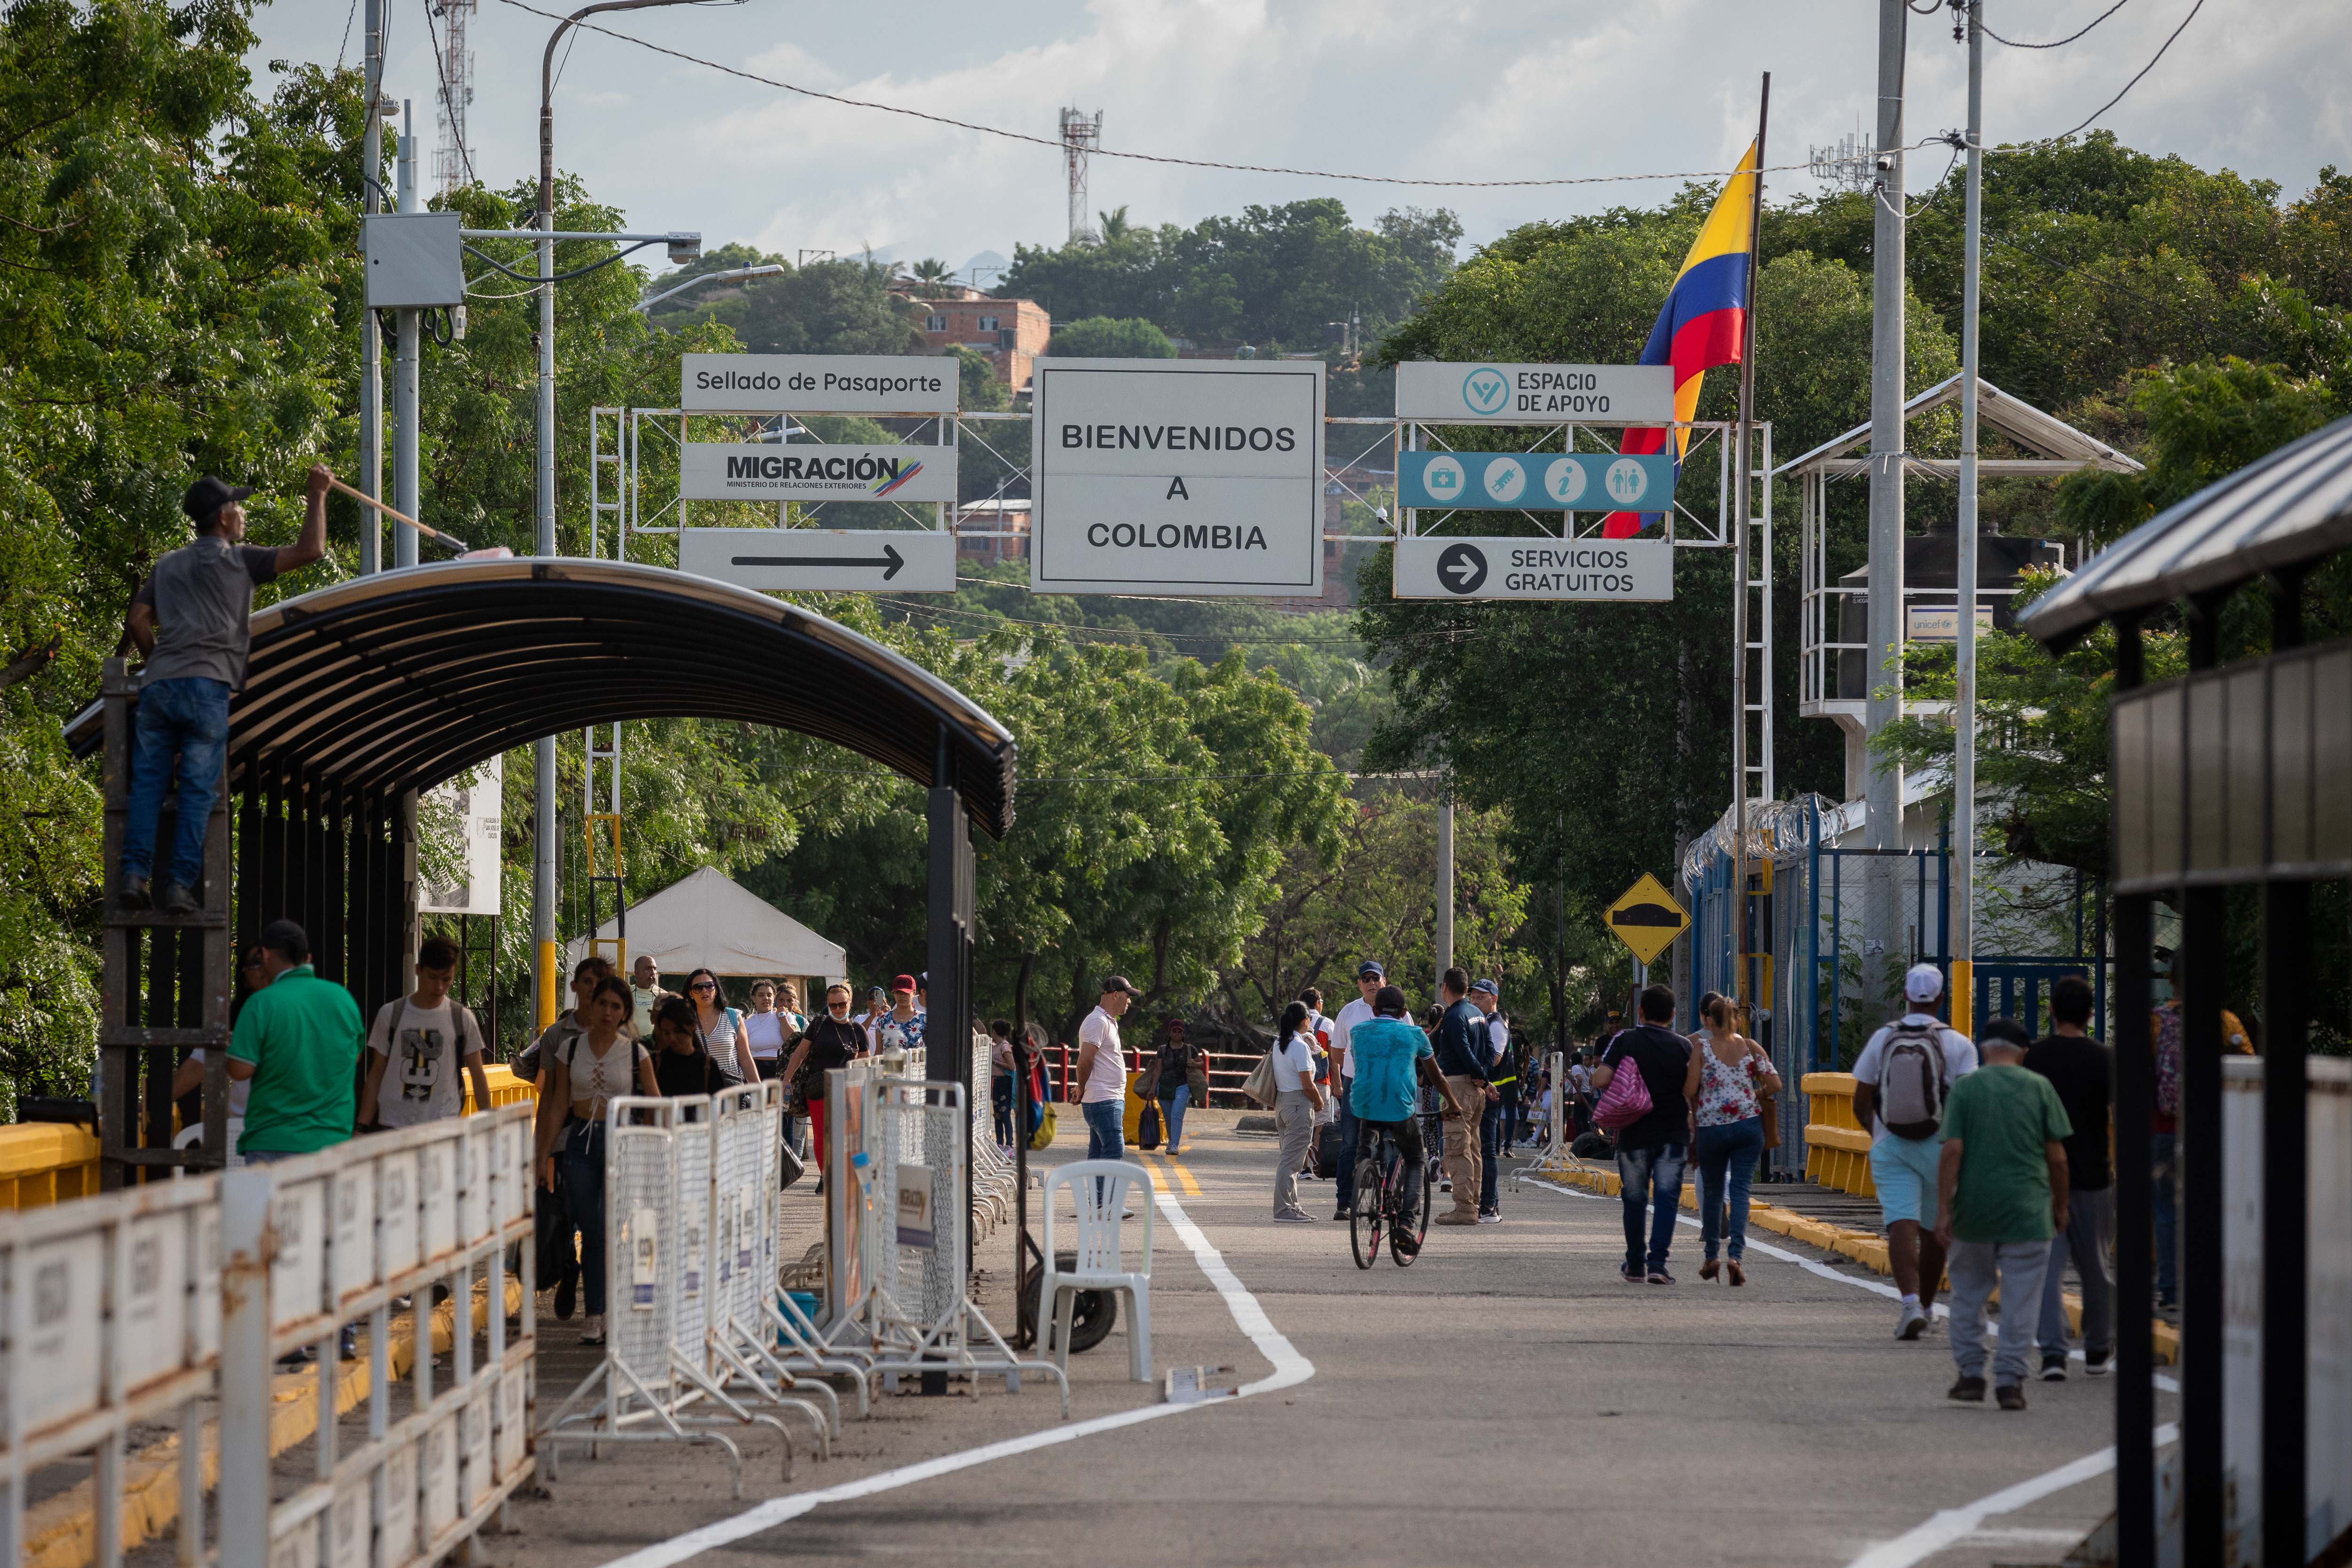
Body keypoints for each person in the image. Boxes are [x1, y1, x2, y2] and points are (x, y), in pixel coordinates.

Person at [119, 469, 330, 915]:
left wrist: (159, 660)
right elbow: (311, 550)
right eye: (237, 507)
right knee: (197, 791)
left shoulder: (168, 565)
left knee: (147, 788)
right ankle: (178, 886)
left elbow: (138, 620)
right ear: (222, 518)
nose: (242, 514)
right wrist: (315, 495)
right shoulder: (240, 561)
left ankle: (134, 877)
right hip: (207, 687)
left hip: (159, 688)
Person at [1936, 1016, 2072, 1410]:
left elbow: (1952, 1151)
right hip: (2029, 1210)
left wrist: (1944, 1209)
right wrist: (2060, 1206)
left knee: (1968, 1292)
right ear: (2024, 1051)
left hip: (1974, 1210)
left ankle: (1972, 1374)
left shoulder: (1967, 1087)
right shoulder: (2040, 1087)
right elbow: (2058, 1158)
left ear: (1983, 1048)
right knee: (2021, 1298)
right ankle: (2011, 1381)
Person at [1851, 963, 1980, 1338]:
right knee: (1934, 1226)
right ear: (1941, 998)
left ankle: (1909, 1305)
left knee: (1900, 1224)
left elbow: (1861, 1099)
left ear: (1905, 996)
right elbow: (1968, 1103)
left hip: (1892, 1144)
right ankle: (1927, 1305)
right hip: (1940, 1145)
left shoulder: (1883, 1038)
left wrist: (1878, 1132)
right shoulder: (1959, 1044)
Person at [529, 974, 657, 1346]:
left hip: (621, 1143)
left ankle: (603, 1309)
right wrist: (541, 1155)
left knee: (609, 1229)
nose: (608, 1011)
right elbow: (557, 1104)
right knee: (592, 1227)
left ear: (624, 1013)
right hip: (580, 1145)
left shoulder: (636, 1053)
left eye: (616, 1007)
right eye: (602, 1003)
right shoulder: (570, 1050)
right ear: (592, 1004)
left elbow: (655, 1105)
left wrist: (652, 1152)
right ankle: (598, 1311)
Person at [2148, 951, 2251, 1310]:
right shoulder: (2225, 1022)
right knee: (2215, 1204)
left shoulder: (2155, 1020)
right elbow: (2248, 1072)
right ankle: (2210, 1284)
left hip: (2163, 1126)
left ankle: (2172, 1291)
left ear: (2170, 979)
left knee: (2165, 1208)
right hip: (2213, 1127)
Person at [2026, 976, 2114, 1380]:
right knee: (2096, 1266)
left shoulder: (2034, 1059)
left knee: (2047, 1267)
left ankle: (2054, 1353)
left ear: (2052, 1011)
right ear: (2091, 1014)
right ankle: (2098, 1346)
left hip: (2043, 1179)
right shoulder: (2104, 1058)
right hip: (2094, 1176)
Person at [1348, 985, 1468, 1260]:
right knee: (1416, 1159)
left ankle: (1363, 1162)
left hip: (1363, 1106)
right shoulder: (1415, 1034)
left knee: (1370, 1119)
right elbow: (1435, 1075)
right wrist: (1453, 1104)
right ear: (1404, 1013)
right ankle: (1405, 1224)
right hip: (1400, 1109)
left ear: (1375, 1010)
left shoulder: (1358, 1032)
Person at [229, 919, 364, 1161]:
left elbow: (240, 1070)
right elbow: (354, 1058)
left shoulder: (261, 1003)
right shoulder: (343, 999)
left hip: (274, 1140)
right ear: (307, 958)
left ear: (265, 954)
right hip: (332, 1140)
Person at [1592, 985, 1694, 1283]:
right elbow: (1693, 1091)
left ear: (1640, 1012)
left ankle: (1635, 1263)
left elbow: (1601, 1079)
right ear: (1673, 1015)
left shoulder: (1626, 1040)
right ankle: (1658, 1265)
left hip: (1635, 1135)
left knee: (1635, 1198)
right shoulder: (1684, 1047)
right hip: (1674, 1134)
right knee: (1667, 1197)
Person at [1684, 991, 1781, 1286]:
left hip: (1712, 1129)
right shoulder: (1751, 1048)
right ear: (1737, 1020)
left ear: (1710, 1021)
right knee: (1740, 1192)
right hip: (1748, 1127)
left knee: (1713, 1193)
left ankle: (1712, 1255)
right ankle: (1736, 1256)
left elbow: (1689, 1090)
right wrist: (1753, 1095)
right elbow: (1775, 1084)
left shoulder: (1701, 1049)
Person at [360, 935, 493, 1128]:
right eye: (432, 977)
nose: (439, 987)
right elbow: (377, 1073)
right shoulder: (391, 1015)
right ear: (418, 970)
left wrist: (488, 1124)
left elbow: (478, 1074)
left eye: (447, 979)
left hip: (442, 1127)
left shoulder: (462, 1019)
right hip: (394, 1125)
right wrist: (361, 1126)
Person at [171, 943, 266, 1164]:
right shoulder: (234, 1020)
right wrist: (145, 1106)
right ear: (244, 975)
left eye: (268, 963)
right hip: (245, 1128)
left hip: (293, 1129)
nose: (263, 969)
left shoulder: (300, 1013)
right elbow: (196, 1067)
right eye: (255, 963)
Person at [1431, 968, 1499, 1227]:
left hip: (1458, 1088)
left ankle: (1464, 1208)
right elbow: (1490, 1049)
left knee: (1457, 1148)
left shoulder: (1454, 1015)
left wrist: (1478, 1072)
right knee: (1472, 1148)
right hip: (1476, 1089)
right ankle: (1473, 1202)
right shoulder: (1478, 1015)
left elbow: (1462, 1050)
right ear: (1467, 989)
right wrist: (1484, 1076)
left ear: (1445, 988)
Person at [781, 984, 865, 1191]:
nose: (837, 1009)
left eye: (842, 1004)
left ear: (850, 1002)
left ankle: (851, 1175)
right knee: (822, 1134)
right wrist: (787, 1080)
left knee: (852, 1134)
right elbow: (800, 1053)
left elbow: (866, 1062)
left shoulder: (857, 1030)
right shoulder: (819, 1024)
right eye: (833, 1005)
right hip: (819, 1087)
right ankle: (825, 1177)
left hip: (848, 1090)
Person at [1327, 961, 1385, 1220]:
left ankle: (1383, 1201)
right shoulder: (1349, 1012)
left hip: (1386, 1088)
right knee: (1350, 1144)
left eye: (1376, 978)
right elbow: (1336, 1051)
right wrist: (1340, 1081)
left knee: (1386, 1144)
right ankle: (1344, 1203)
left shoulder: (1400, 1012)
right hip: (1354, 1085)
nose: (1372, 983)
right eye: (1366, 979)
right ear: (1360, 984)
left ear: (1384, 981)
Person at [1268, 1002, 1327, 1221]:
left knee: (1291, 1158)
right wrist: (1319, 1101)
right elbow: (1308, 1084)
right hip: (1298, 1105)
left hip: (1283, 1103)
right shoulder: (1300, 1047)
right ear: (1305, 1021)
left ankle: (1293, 1206)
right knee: (1291, 1162)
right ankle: (1283, 1209)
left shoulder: (1279, 1043)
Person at [514, 955, 614, 1083]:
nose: (594, 988)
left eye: (600, 983)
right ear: (574, 986)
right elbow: (544, 1087)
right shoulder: (555, 1035)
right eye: (588, 982)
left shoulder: (623, 1037)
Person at [1075, 976, 1140, 1169]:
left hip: (1105, 1099)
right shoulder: (1098, 1022)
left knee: (1098, 1155)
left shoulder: (1107, 1021)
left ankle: (1097, 1199)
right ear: (1115, 995)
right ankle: (1104, 1199)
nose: (1130, 1001)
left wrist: (1082, 1088)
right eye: (1128, 996)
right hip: (1104, 1100)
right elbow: (1085, 1059)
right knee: (1114, 1150)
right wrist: (1081, 1087)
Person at [1468, 979, 1509, 1222]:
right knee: (1482, 1149)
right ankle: (1488, 1204)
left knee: (1488, 1151)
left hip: (1491, 1096)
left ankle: (1489, 1207)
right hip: (1485, 1092)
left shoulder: (1496, 1025)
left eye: (1481, 997)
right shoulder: (1482, 1023)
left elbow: (1494, 1059)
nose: (1474, 1001)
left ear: (1494, 999)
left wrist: (1474, 1069)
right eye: (1473, 997)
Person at [684, 968, 758, 1084]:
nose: (704, 990)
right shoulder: (684, 1021)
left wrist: (758, 1092)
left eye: (709, 986)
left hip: (730, 1092)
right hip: (697, 1091)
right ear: (691, 993)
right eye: (698, 987)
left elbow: (745, 1059)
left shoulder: (733, 1016)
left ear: (716, 990)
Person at [650, 995, 728, 1098]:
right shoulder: (655, 1062)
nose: (672, 1038)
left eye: (678, 1031)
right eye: (666, 1033)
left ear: (693, 1025)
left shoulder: (708, 1065)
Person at [1154, 1020, 1199, 1156]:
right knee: (1168, 1117)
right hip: (1164, 1086)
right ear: (1170, 1032)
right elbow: (1157, 1069)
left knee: (1176, 1116)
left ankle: (1174, 1144)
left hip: (1182, 1086)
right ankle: (1171, 1142)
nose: (1177, 1034)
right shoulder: (1163, 1050)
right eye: (1174, 1031)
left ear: (1183, 1033)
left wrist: (1194, 1063)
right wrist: (1152, 1089)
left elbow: (1201, 1063)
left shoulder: (1190, 1049)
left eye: (1180, 1031)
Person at [742, 978, 798, 1081]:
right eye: (761, 995)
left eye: (769, 995)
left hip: (780, 1070)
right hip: (756, 1070)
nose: (766, 998)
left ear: (774, 998)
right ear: (753, 998)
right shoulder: (746, 1024)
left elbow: (792, 1041)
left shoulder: (785, 1016)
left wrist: (782, 1017)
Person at [873, 973, 926, 1058]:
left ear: (914, 993)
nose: (902, 996)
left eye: (906, 993)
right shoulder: (883, 1020)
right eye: (899, 992)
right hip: (890, 1069)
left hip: (916, 1069)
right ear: (894, 994)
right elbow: (878, 1052)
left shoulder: (924, 1020)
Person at [626, 954, 675, 1041]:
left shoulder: (664, 996)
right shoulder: (625, 994)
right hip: (630, 1047)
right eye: (648, 968)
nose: (653, 973)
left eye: (655, 969)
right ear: (637, 973)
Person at [989, 1019, 1019, 1148]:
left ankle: (1009, 1144)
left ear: (994, 1032)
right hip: (997, 1082)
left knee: (1005, 1113)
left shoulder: (1004, 1047)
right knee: (997, 1115)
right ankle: (1000, 1143)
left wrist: (995, 1062)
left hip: (1005, 1083)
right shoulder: (996, 1047)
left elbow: (1011, 1066)